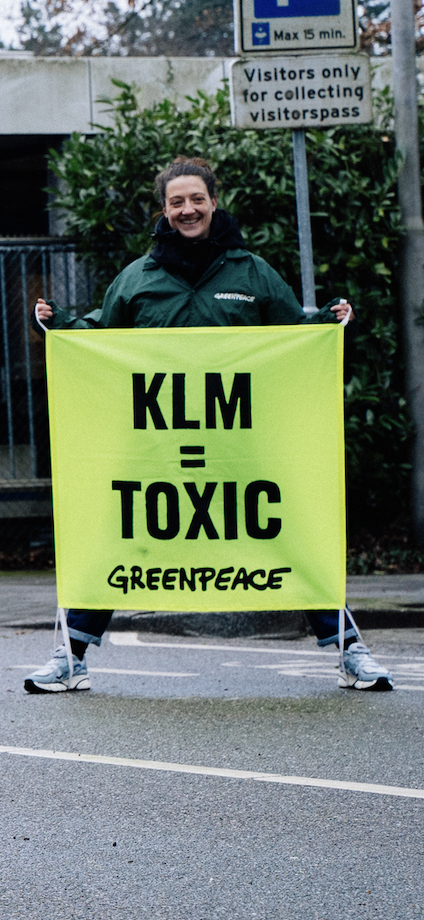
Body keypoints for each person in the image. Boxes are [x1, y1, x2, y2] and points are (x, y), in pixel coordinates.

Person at [26, 155, 391, 693]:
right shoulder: (136, 280)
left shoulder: (253, 272)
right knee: (120, 533)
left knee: (293, 532)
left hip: (242, 444)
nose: (188, 209)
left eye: (197, 198)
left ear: (214, 202)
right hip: (159, 445)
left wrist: (328, 324)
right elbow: (99, 340)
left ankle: (350, 650)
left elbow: (294, 336)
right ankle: (71, 654)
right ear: (164, 209)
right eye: (177, 201)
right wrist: (58, 327)